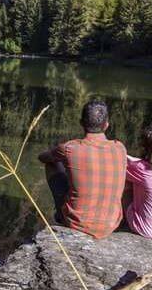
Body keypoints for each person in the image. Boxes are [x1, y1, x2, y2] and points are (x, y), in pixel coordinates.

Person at [38, 100, 127, 239]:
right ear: (107, 124)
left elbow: (43, 158)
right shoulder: (120, 148)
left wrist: (58, 153)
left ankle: (61, 214)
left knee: (53, 164)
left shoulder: (70, 148)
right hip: (111, 224)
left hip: (77, 224)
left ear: (81, 123)